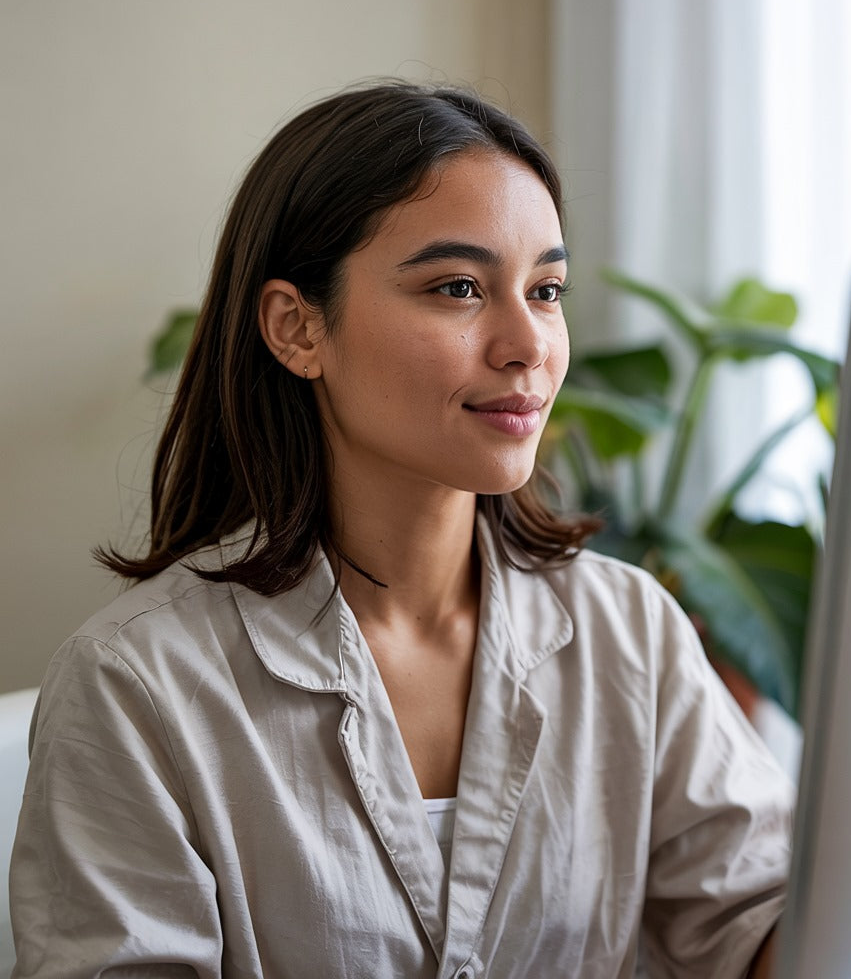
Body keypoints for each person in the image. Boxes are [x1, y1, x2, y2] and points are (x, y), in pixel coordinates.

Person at [9, 82, 792, 978]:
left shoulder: (631, 633)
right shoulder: (134, 686)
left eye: (546, 290)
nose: (528, 345)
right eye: (459, 288)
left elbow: (757, 919)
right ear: (297, 329)